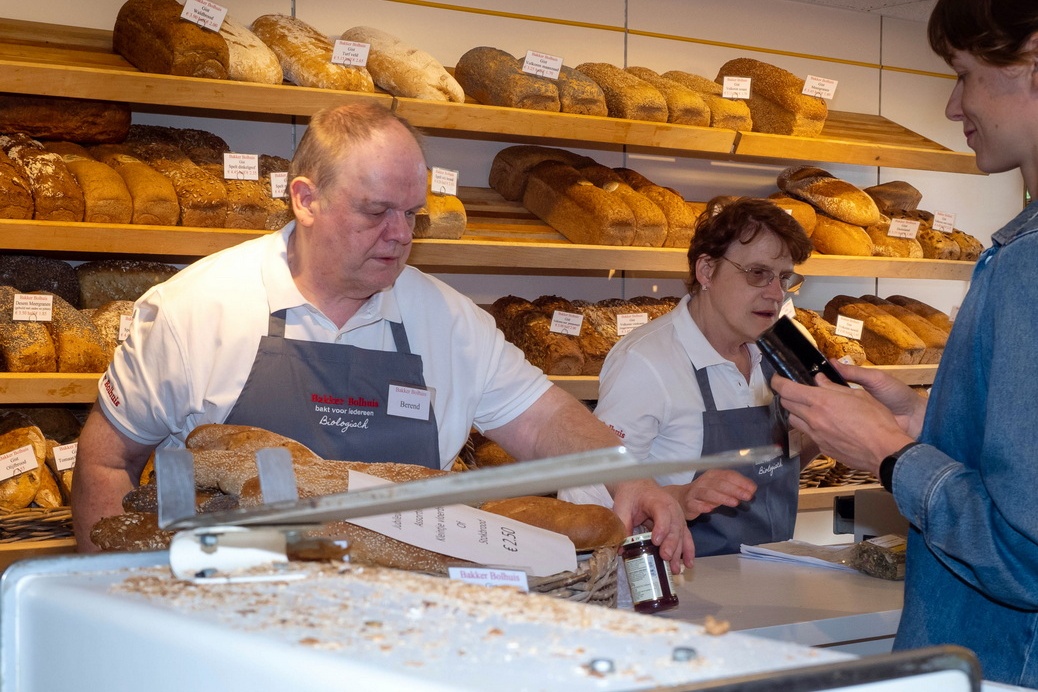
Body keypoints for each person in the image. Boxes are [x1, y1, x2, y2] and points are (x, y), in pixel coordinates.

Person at [71, 103, 693, 570]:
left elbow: (543, 419)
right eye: (375, 212)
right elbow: (106, 459)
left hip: (408, 627)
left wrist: (627, 477)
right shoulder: (193, 311)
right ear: (305, 200)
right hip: (227, 617)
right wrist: (122, 593)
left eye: (413, 215)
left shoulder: (446, 321)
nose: (400, 235)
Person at [770, 0, 1038, 685]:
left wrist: (891, 454)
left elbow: (1023, 556)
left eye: (966, 73)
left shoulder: (1029, 267)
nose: (953, 106)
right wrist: (928, 425)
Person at [568, 197, 813, 556]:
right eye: (758, 273)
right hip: (683, 590)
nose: (776, 294)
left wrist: (825, 433)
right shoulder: (646, 362)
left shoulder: (784, 350)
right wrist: (676, 499)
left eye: (784, 278)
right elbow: (585, 496)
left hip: (775, 579)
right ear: (706, 271)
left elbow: (775, 466)